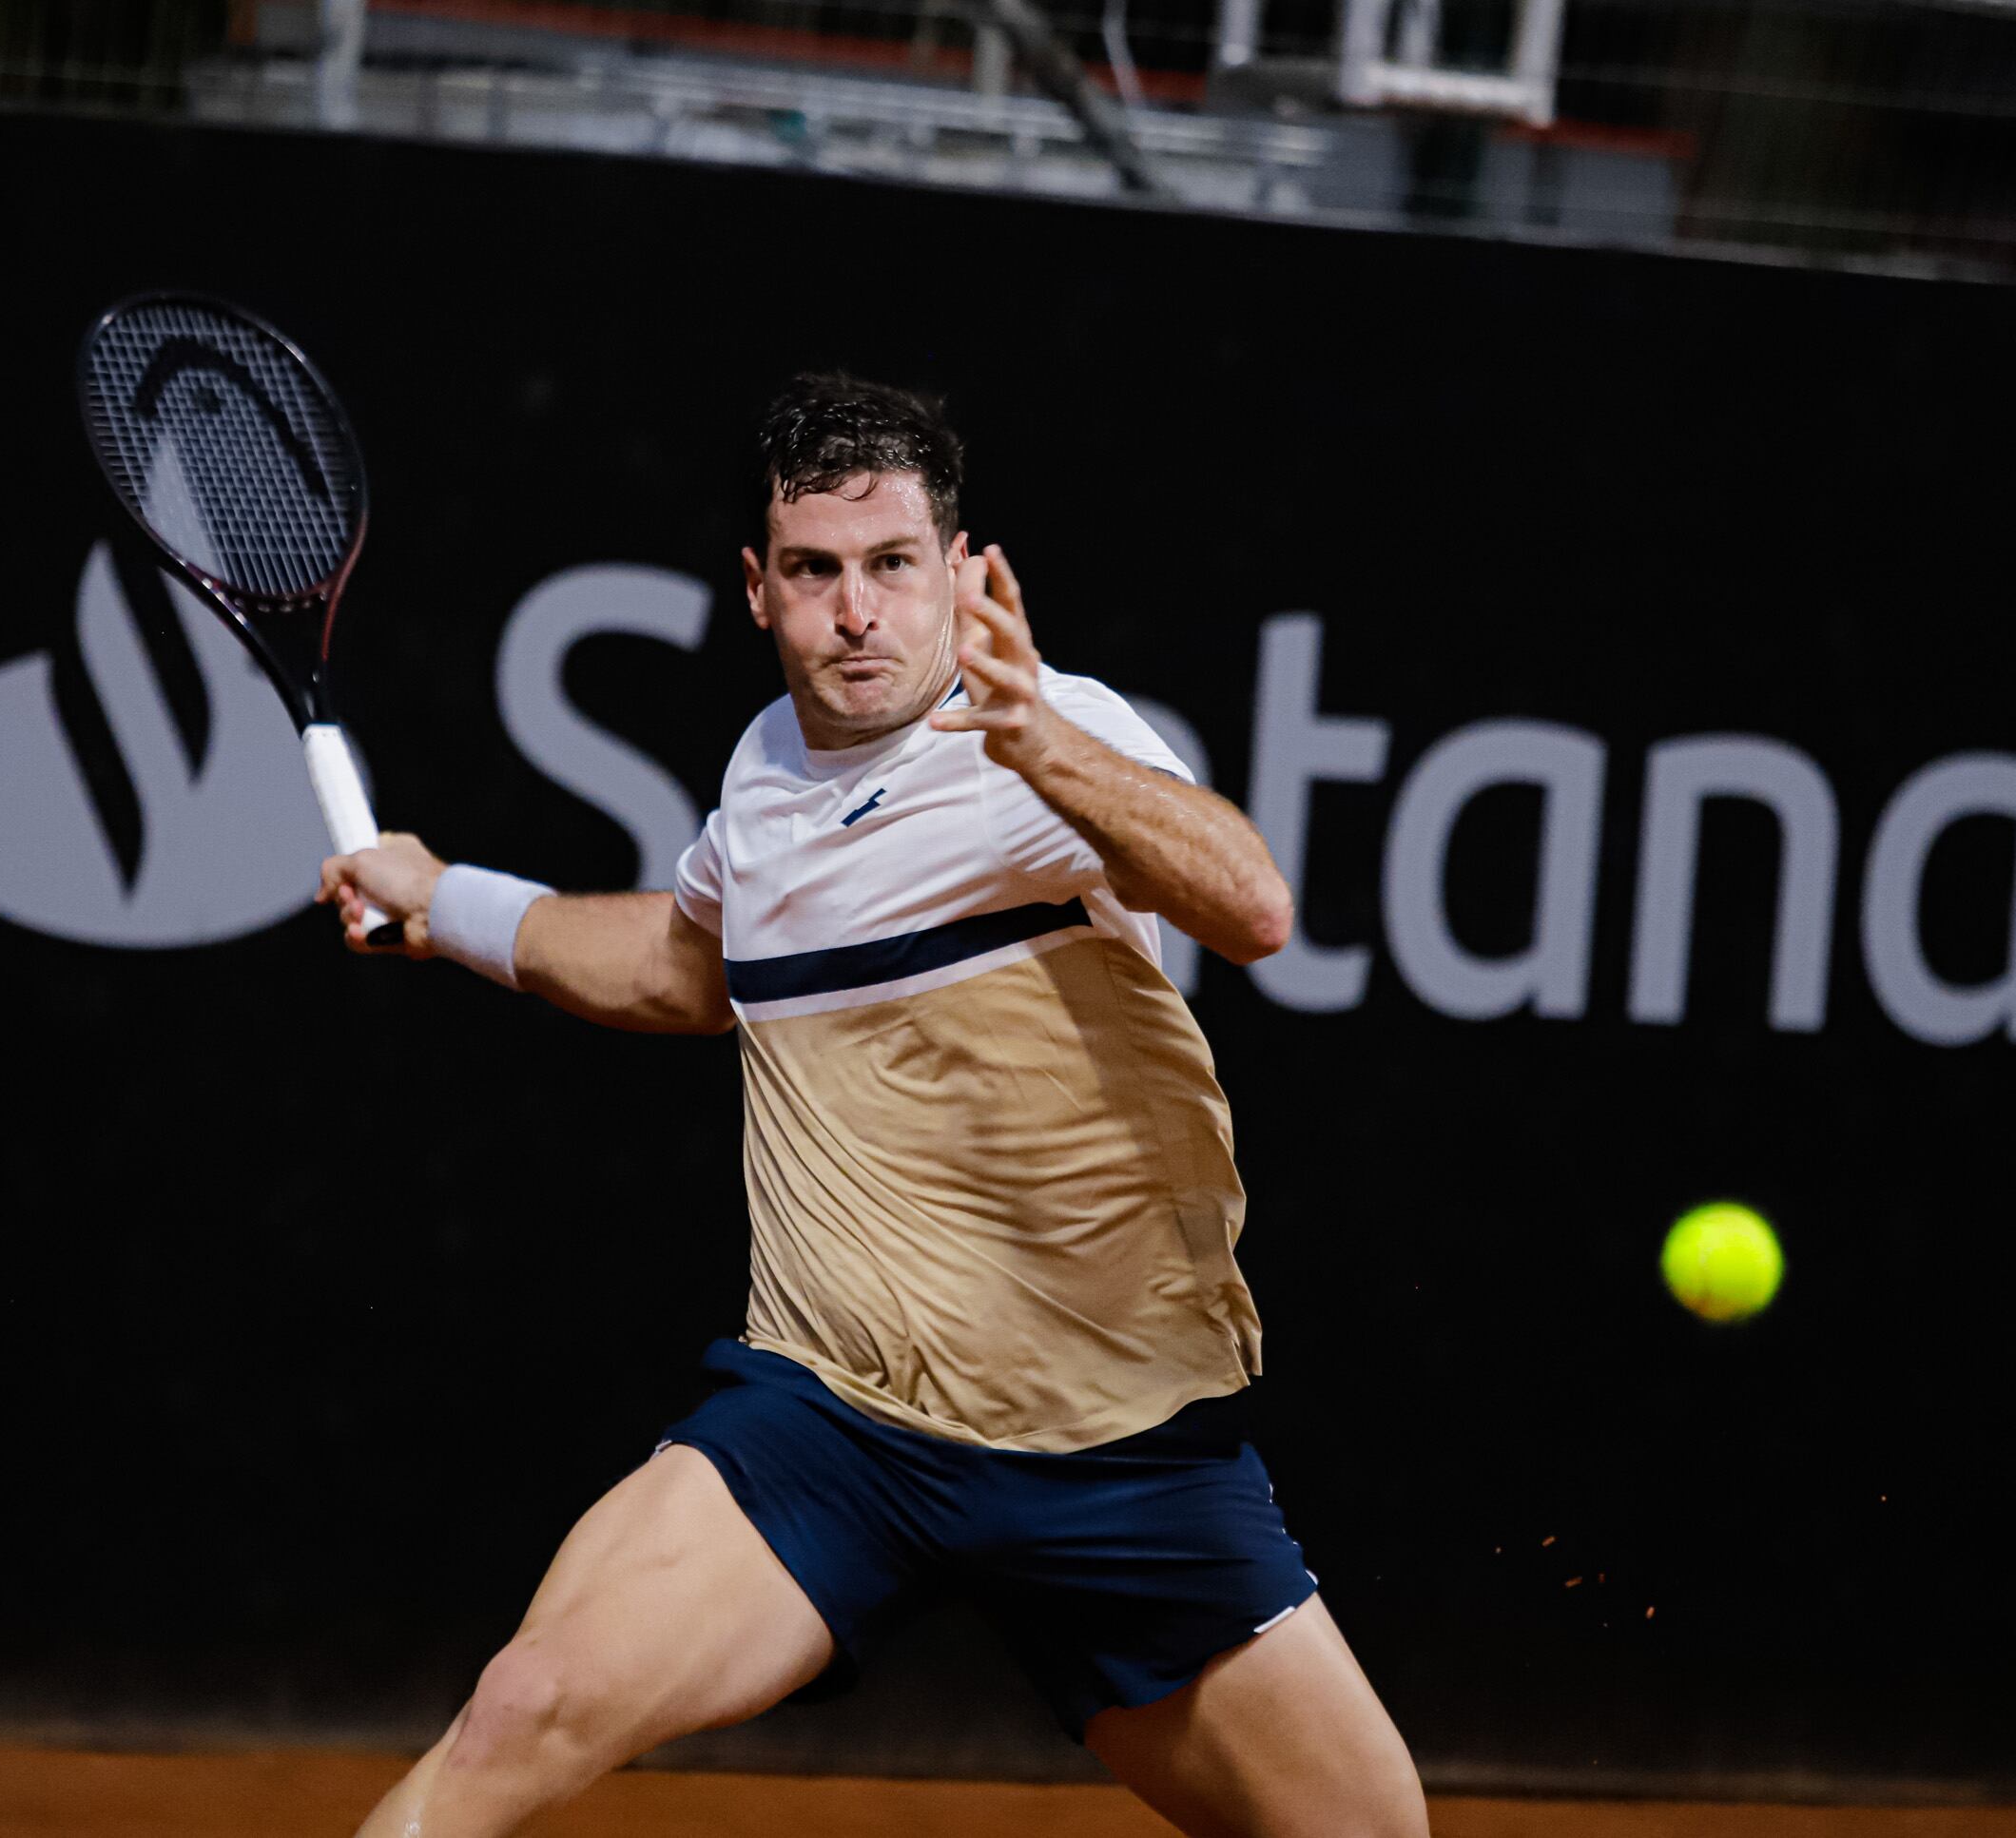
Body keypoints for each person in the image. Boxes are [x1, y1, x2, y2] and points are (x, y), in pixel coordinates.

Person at [321, 375, 1427, 1838]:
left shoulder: (1053, 732)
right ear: (757, 588)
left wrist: (1051, 752)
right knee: (524, 1703)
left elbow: (1254, 905)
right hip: (839, 1427)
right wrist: (444, 899)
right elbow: (682, 965)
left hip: (1117, 1449)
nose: (858, 613)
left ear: (960, 574)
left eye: (894, 565)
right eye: (816, 571)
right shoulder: (765, 779)